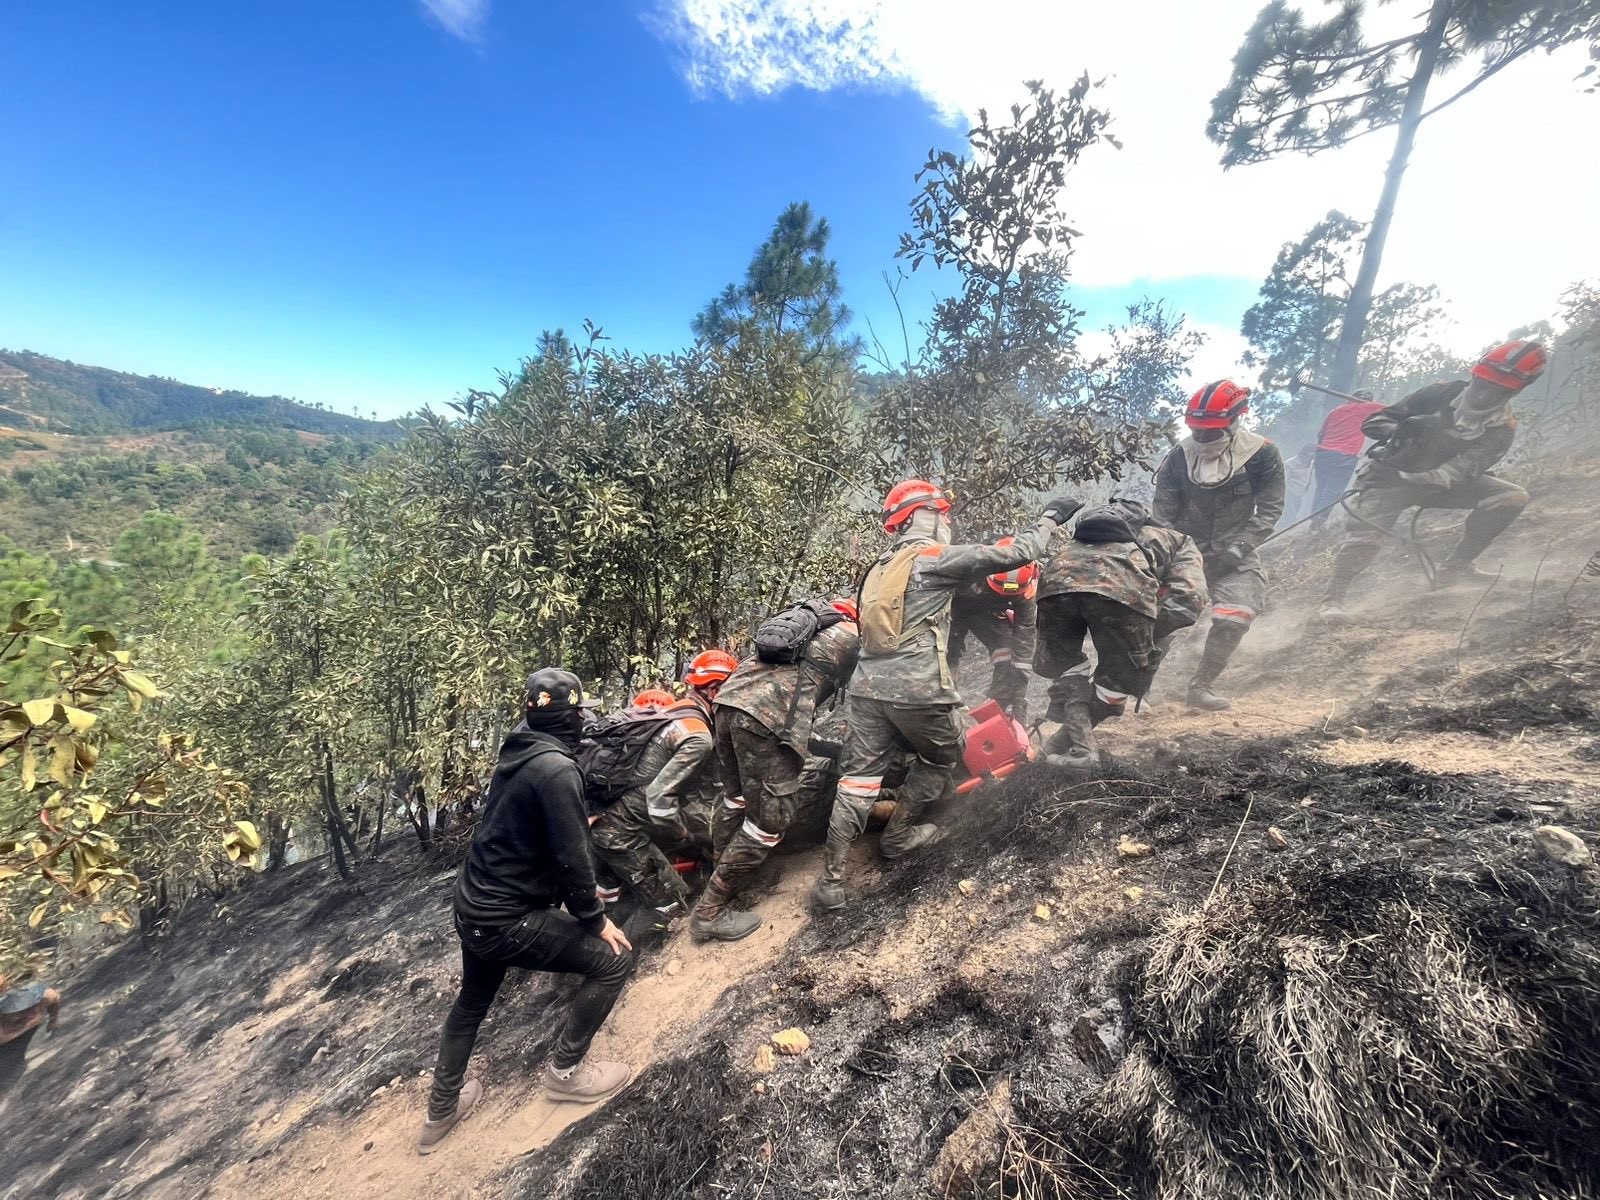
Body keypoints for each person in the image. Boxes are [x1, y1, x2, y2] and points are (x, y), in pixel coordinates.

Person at [809, 481, 1080, 911]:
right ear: (924, 515)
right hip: (917, 687)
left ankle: (830, 882)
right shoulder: (934, 558)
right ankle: (898, 837)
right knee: (942, 754)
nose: (947, 522)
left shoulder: (878, 567)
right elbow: (1019, 552)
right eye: (942, 514)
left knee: (857, 780)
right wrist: (1050, 518)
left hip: (866, 688)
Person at [420, 669, 634, 1154]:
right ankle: (566, 1074)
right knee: (614, 960)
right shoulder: (557, 771)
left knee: (471, 1002)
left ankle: (440, 1112)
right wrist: (595, 919)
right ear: (567, 718)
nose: (583, 721)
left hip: (472, 907)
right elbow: (572, 860)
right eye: (579, 713)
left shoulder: (520, 746)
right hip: (505, 920)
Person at [1320, 340, 1546, 623]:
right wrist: (1402, 430)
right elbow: (1374, 421)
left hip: (1440, 485)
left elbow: (1462, 469)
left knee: (1511, 497)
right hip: (1388, 477)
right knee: (1366, 536)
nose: (1484, 393)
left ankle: (1456, 567)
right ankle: (1333, 599)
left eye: (1496, 389)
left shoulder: (1502, 428)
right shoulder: (1439, 393)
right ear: (1475, 375)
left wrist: (1429, 472)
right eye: (1482, 383)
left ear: (1513, 391)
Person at [689, 600, 861, 942]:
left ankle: (724, 875)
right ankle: (709, 912)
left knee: (735, 798)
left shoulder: (803, 631)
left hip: (727, 703)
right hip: (763, 720)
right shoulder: (854, 637)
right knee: (769, 823)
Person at [1034, 499, 1208, 768]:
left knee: (1070, 670)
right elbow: (1190, 598)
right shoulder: (1176, 540)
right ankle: (1083, 755)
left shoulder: (1080, 539)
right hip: (1121, 589)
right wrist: (1149, 633)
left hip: (1055, 584)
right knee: (1114, 685)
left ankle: (1056, 748)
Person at [1153, 380, 1286, 712]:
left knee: (1237, 615)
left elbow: (1270, 509)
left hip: (1235, 554)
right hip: (1183, 552)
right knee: (1158, 620)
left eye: (1210, 432)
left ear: (1235, 421)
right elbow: (1162, 515)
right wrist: (1175, 556)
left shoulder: (1261, 454)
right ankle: (1135, 688)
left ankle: (1201, 687)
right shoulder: (1178, 457)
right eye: (1196, 430)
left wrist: (1240, 547)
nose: (1201, 438)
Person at [588, 649, 737, 928]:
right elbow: (659, 801)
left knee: (616, 907)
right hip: (621, 835)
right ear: (715, 689)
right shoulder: (697, 736)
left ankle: (609, 933)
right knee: (673, 907)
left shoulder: (673, 713)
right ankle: (612, 953)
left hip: (608, 823)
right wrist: (687, 837)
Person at [946, 539, 1039, 718]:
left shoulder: (1027, 590)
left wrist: (1018, 697)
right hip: (955, 607)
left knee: (1007, 652)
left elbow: (1025, 637)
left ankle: (999, 706)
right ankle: (947, 702)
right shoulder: (968, 564)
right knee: (947, 652)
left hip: (989, 613)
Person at [1309, 388, 1388, 529]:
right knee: (1333, 490)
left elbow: (1320, 434)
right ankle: (1318, 521)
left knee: (1321, 487)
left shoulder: (1335, 411)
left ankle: (1314, 518)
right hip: (1344, 455)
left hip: (1322, 453)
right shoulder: (1366, 407)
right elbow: (1392, 409)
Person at [0, 976, 60, 1095]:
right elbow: (53, 996)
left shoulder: (30, 997)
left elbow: (52, 996)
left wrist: (53, 1020)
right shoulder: (33, 996)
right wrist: (53, 1020)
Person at [1281, 442, 1317, 527]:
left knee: (1296, 514)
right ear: (1302, 454)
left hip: (1301, 494)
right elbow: (1283, 481)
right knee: (1289, 516)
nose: (1309, 458)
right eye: (1308, 456)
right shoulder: (1289, 464)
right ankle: (1282, 530)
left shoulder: (1311, 464)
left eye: (1312, 456)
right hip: (1290, 494)